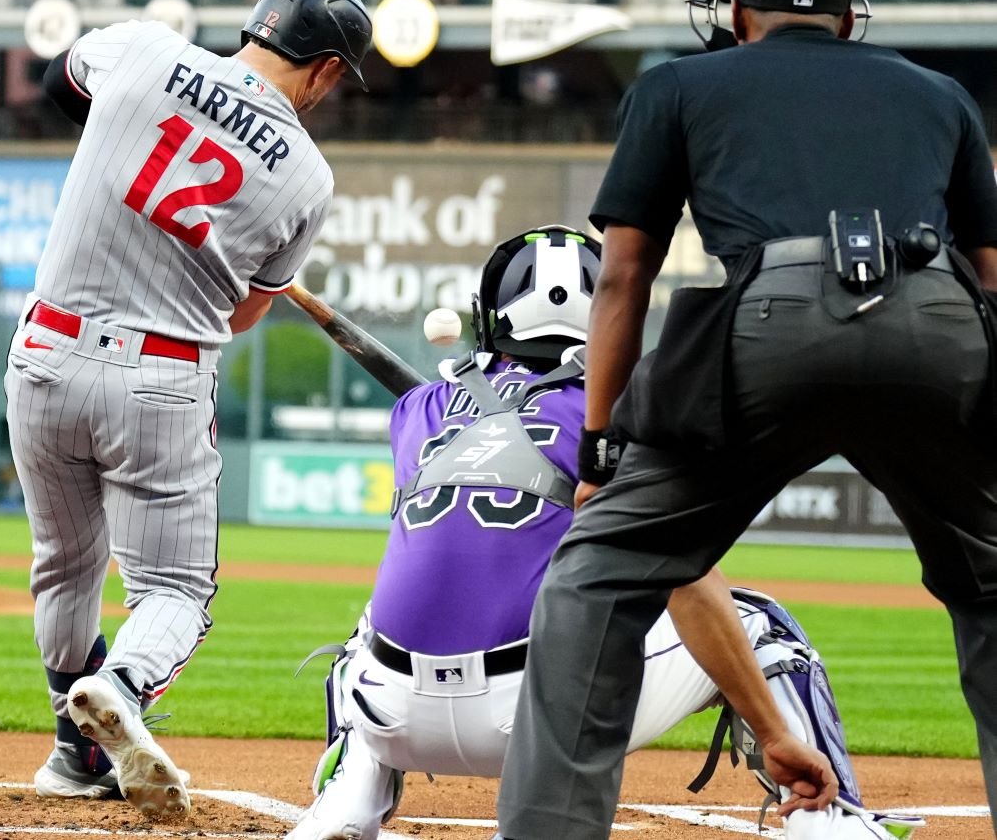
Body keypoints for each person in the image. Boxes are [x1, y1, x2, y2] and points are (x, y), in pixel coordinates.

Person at [496, 0, 997, 839]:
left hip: (770, 324)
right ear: (850, 17)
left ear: (735, 11)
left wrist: (601, 446)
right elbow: (991, 281)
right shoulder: (942, 95)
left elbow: (624, 276)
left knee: (597, 577)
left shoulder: (680, 85)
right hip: (939, 320)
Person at [289, 227, 921, 840]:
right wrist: (773, 733)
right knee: (761, 623)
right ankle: (825, 823)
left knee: (367, 628)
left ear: (491, 316)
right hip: (537, 722)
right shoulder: (619, 419)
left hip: (392, 717)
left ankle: (350, 795)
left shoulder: (417, 413)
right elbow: (684, 578)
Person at [10, 0, 373, 820]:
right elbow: (244, 312)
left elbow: (57, 82)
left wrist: (124, 138)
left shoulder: (142, 48)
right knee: (175, 591)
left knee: (65, 568)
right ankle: (124, 686)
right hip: (161, 376)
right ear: (323, 70)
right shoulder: (308, 180)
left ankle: (75, 752)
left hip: (43, 355)